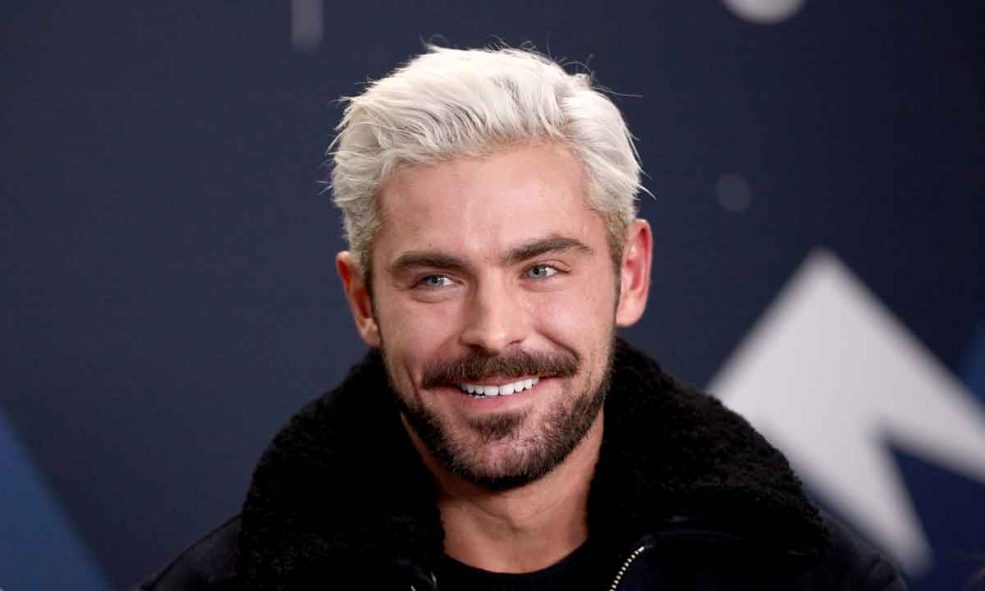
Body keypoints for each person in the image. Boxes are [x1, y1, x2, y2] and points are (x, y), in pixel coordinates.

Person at [139, 46, 904, 590]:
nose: (494, 330)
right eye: (436, 278)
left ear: (629, 274)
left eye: (540, 268)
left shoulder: (812, 578)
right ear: (364, 300)